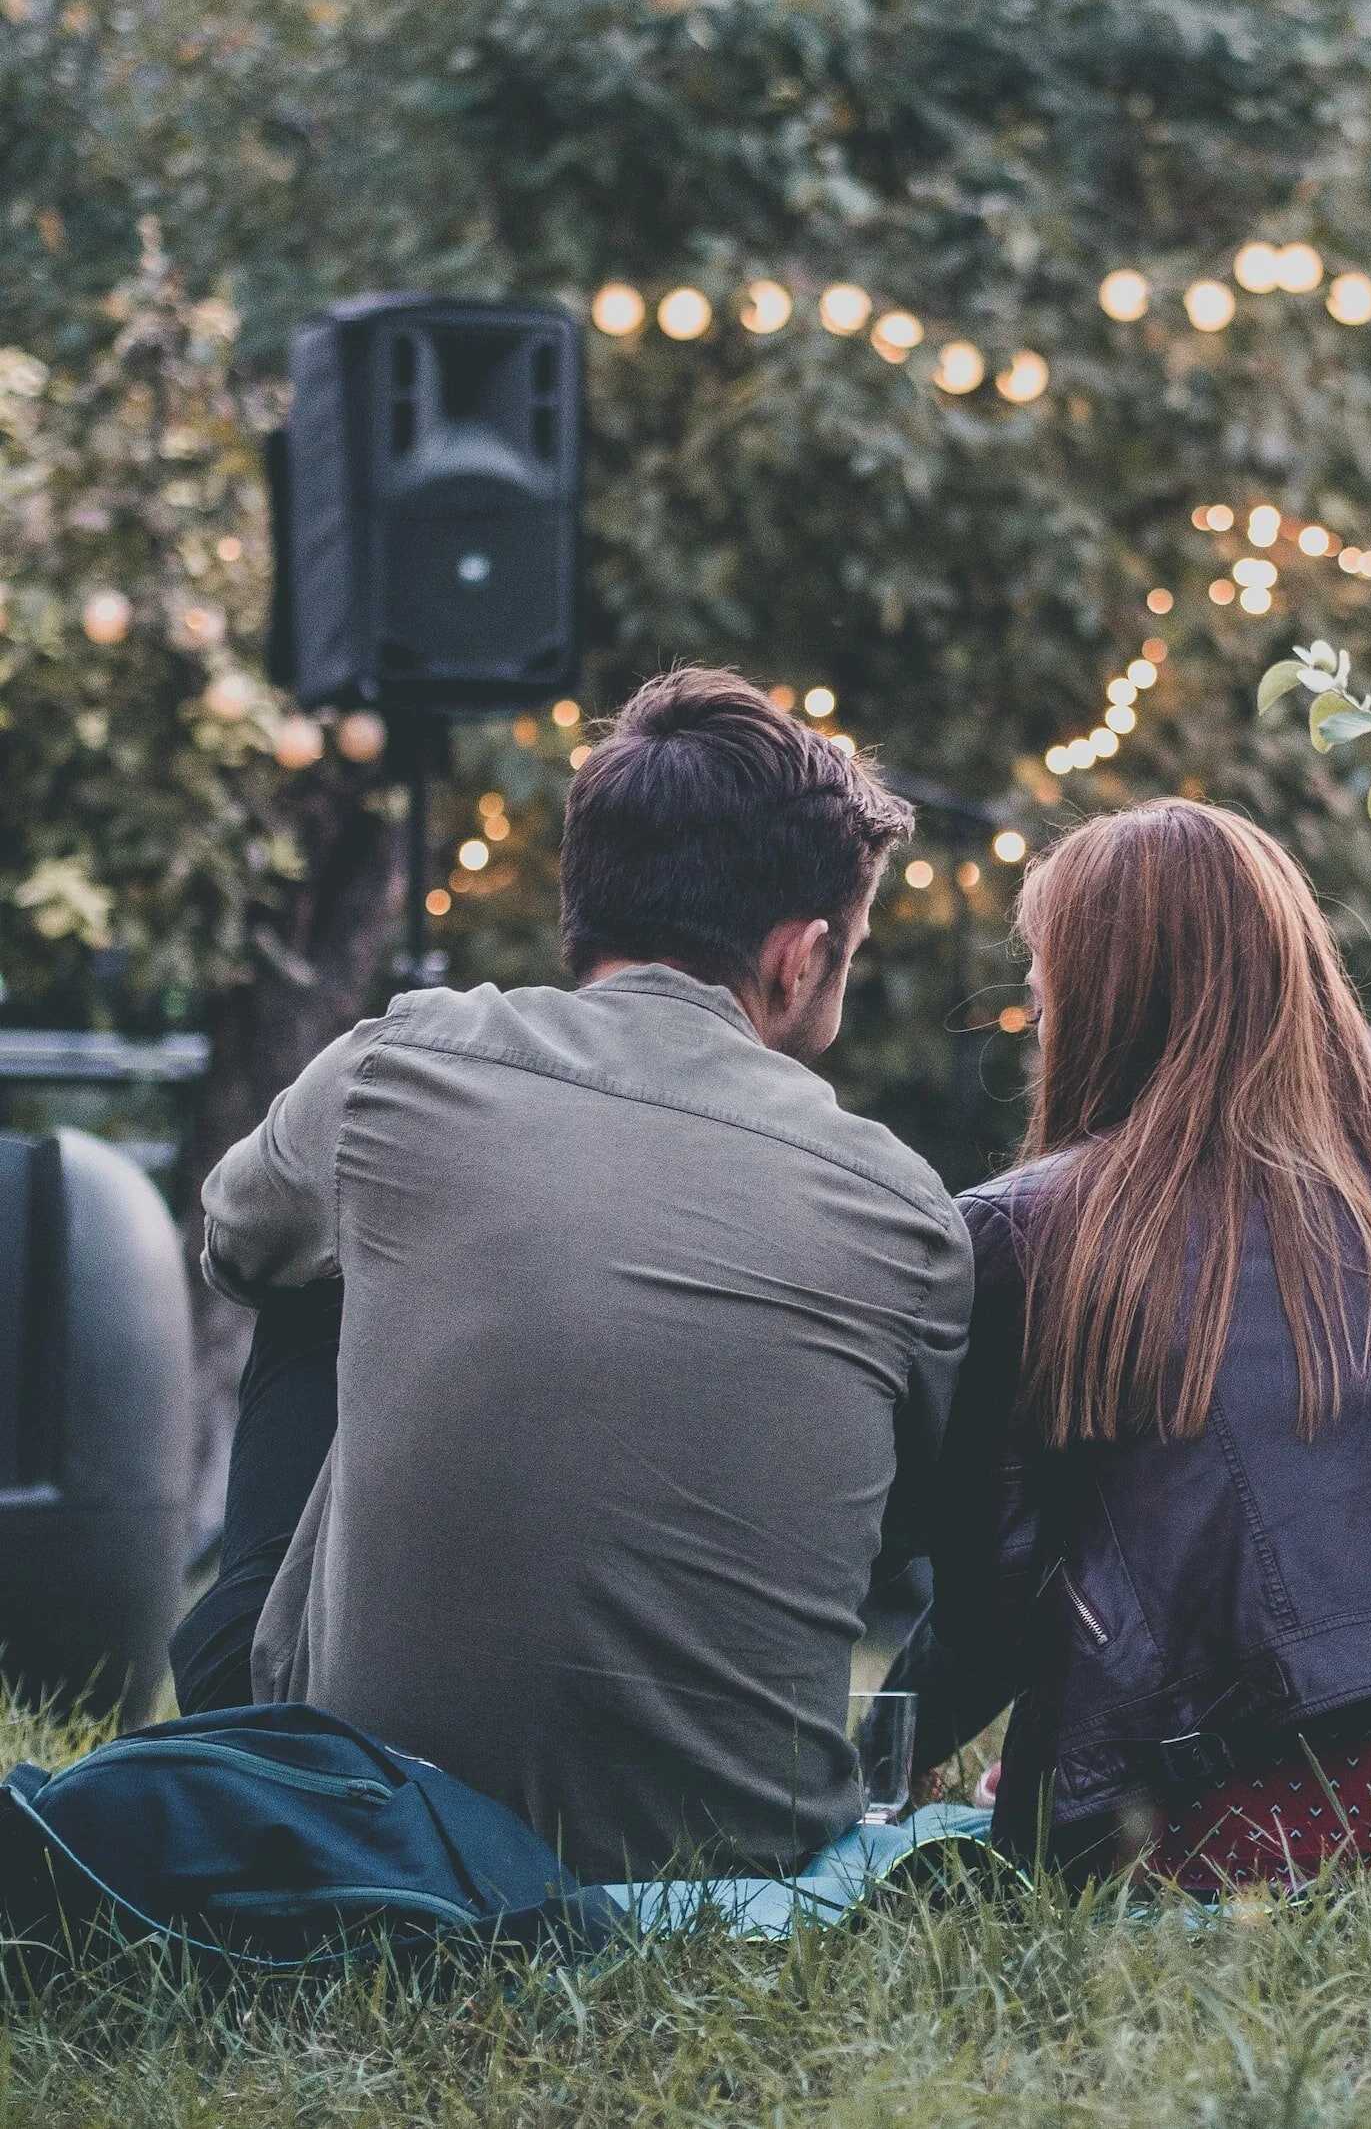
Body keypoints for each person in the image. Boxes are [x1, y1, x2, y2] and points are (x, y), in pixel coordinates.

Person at [170, 669, 973, 1883]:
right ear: (799, 956)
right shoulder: (903, 1206)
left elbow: (232, 1241)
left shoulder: (400, 1064)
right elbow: (915, 1515)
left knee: (311, 1266)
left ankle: (257, 1744)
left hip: (377, 1805)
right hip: (732, 1849)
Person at [891, 800, 1371, 1894]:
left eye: (1045, 997)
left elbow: (991, 1608)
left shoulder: (1024, 1227)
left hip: (1207, 1820)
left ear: (1107, 1003)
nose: (1038, 1028)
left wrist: (878, 1756)